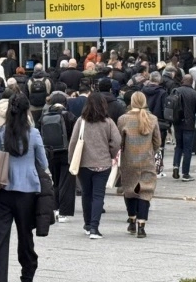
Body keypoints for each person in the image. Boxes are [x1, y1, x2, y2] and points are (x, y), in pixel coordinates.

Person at [0, 94, 46, 282]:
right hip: (27, 191)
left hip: (0, 190)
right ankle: (27, 278)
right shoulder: (34, 134)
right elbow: (43, 163)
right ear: (28, 112)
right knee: (25, 235)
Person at [68, 92, 121, 240]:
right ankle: (94, 228)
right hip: (103, 163)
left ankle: (87, 224)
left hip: (84, 163)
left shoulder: (81, 121)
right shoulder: (108, 122)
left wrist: (72, 159)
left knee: (86, 193)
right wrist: (111, 153)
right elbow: (116, 141)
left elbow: (73, 142)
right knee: (98, 196)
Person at [116, 92, 161, 239]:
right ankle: (142, 225)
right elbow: (157, 142)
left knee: (129, 190)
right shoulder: (152, 119)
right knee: (145, 192)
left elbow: (119, 142)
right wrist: (149, 151)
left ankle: (132, 220)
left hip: (128, 160)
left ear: (132, 102)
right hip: (146, 161)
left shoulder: (123, 119)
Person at [41, 91, 76, 222]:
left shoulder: (44, 116)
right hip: (66, 153)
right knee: (66, 183)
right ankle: (64, 212)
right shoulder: (69, 116)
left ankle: (54, 208)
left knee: (54, 182)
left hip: (50, 153)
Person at [170, 74, 196, 182]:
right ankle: (185, 173)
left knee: (178, 146)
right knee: (187, 149)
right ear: (191, 81)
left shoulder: (175, 91)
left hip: (177, 123)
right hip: (189, 124)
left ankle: (175, 166)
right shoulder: (195, 94)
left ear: (182, 81)